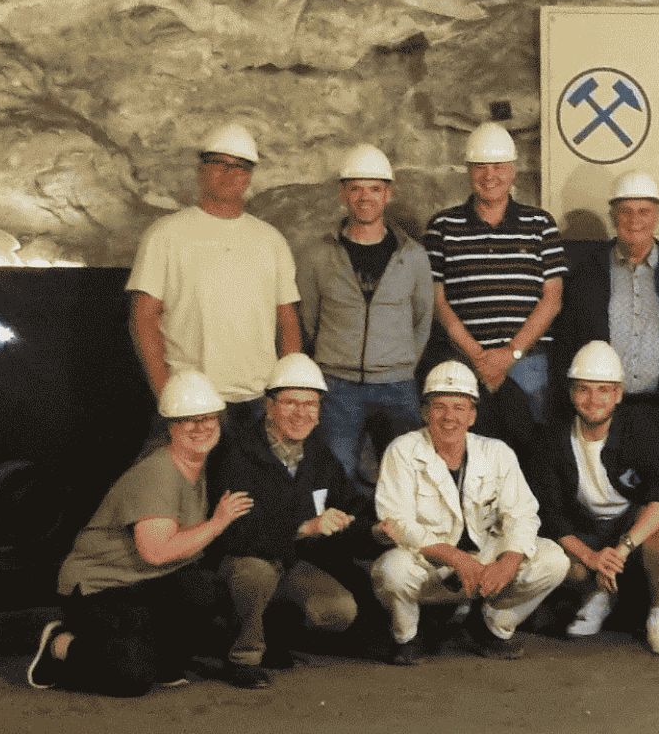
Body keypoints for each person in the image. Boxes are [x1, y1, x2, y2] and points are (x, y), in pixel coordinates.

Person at [29, 372, 251, 696]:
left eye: (208, 418)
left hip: (148, 580)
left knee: (205, 592)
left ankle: (157, 659)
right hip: (101, 585)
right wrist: (218, 523)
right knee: (131, 678)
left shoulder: (198, 463)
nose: (201, 427)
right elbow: (155, 552)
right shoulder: (158, 473)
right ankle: (61, 645)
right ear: (170, 427)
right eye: (188, 420)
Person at [372, 360, 567, 664]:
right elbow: (398, 522)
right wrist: (456, 558)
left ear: (472, 415)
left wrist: (508, 561)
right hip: (432, 565)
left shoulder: (497, 452)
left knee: (553, 560)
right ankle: (408, 635)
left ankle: (492, 625)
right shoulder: (403, 450)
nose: (449, 417)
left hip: (485, 562)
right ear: (425, 412)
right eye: (439, 406)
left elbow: (522, 514)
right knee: (392, 570)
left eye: (459, 407)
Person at [206, 353, 379, 689]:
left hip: (287, 561)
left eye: (310, 404)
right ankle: (242, 657)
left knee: (338, 609)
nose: (302, 413)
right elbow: (235, 533)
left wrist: (375, 530)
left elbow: (349, 504)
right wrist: (304, 528)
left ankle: (272, 634)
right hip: (237, 562)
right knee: (255, 574)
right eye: (290, 403)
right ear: (269, 406)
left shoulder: (317, 454)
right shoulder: (237, 452)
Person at [127, 123, 302, 431]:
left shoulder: (271, 241)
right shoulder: (165, 235)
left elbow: (287, 321)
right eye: (219, 163)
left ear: (249, 176)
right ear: (201, 170)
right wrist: (167, 393)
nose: (229, 173)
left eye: (239, 167)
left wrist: (285, 391)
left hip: (259, 399)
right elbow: (143, 318)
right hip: (191, 397)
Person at [527, 341, 659, 656]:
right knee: (567, 566)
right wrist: (590, 557)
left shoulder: (639, 428)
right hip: (585, 529)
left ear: (618, 394)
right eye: (583, 389)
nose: (593, 400)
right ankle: (598, 593)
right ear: (571, 393)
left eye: (603, 389)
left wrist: (622, 549)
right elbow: (548, 513)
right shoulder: (553, 439)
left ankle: (658, 613)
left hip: (629, 529)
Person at [296, 144, 432, 494]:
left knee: (407, 479)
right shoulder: (317, 255)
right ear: (342, 193)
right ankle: (341, 530)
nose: (364, 197)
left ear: (388, 194)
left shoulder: (413, 256)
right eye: (355, 188)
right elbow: (309, 320)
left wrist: (400, 363)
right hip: (337, 387)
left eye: (374, 188)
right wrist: (335, 357)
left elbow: (422, 319)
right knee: (334, 476)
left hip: (398, 387)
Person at [424, 122, 565, 455]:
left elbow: (552, 299)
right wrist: (478, 356)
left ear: (513, 171)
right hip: (466, 364)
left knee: (533, 454)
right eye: (480, 167)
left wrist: (510, 353)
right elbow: (437, 301)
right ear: (468, 170)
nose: (490, 176)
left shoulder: (541, 224)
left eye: (499, 166)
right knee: (468, 455)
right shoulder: (442, 227)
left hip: (528, 364)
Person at [555, 171, 659, 455]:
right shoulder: (587, 274)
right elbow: (566, 344)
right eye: (625, 211)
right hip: (604, 414)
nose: (634, 220)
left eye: (644, 211)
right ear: (612, 216)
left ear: (657, 216)